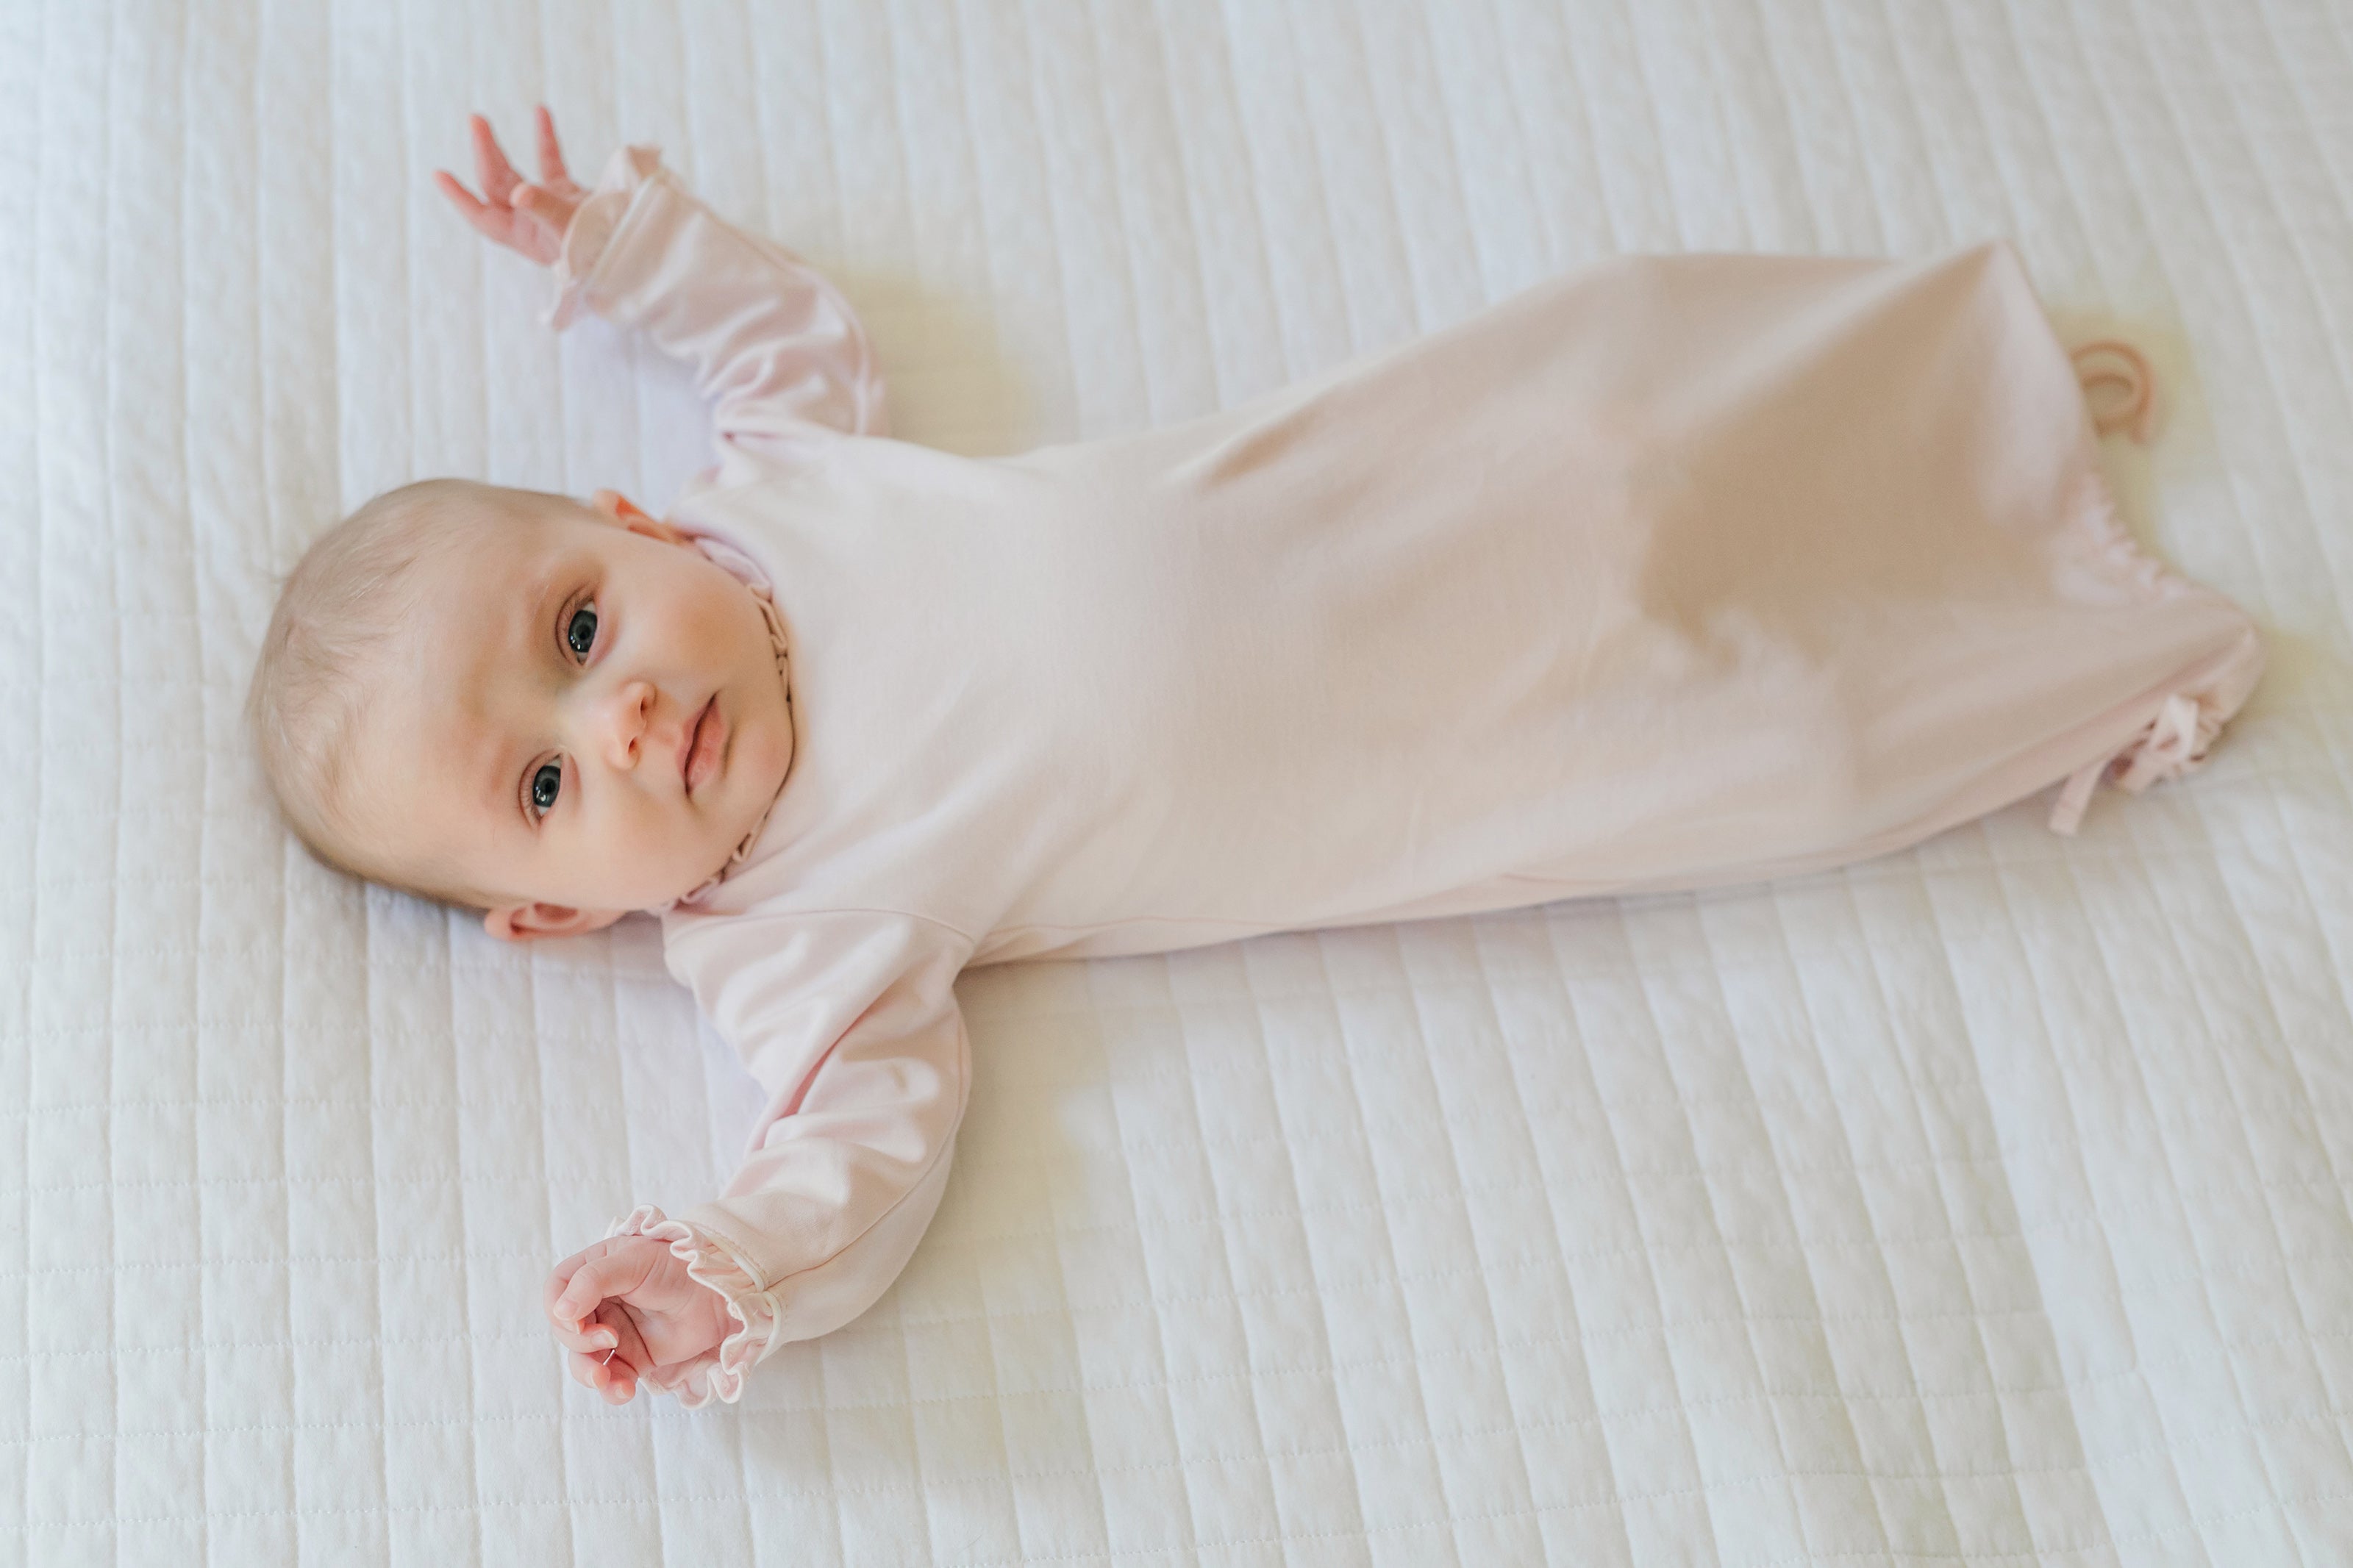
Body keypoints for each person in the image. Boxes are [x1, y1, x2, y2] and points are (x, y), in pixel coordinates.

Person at [246, 107, 2263, 1407]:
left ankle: (1972, 392)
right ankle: (2095, 645)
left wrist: (629, 250)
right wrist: (727, 1264)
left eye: (577, 627)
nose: (613, 718)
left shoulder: (777, 490)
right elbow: (868, 1145)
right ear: (552, 915)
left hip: (1377, 491)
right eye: (544, 789)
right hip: (1445, 754)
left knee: (1622, 411)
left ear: (633, 524)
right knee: (1765, 737)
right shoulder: (785, 937)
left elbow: (789, 339)